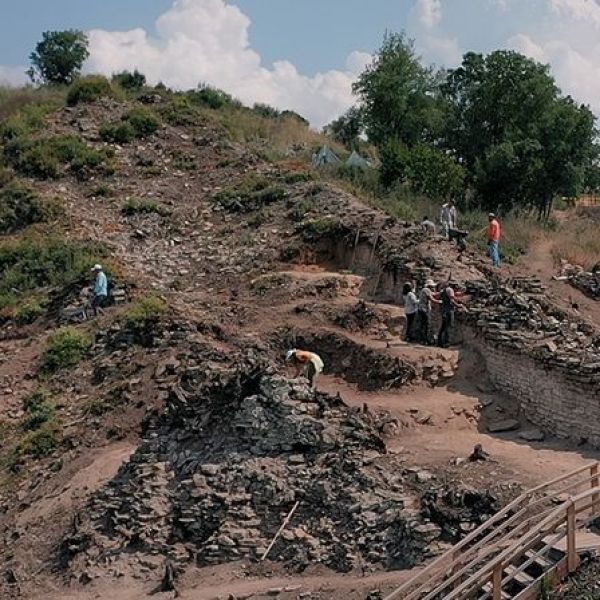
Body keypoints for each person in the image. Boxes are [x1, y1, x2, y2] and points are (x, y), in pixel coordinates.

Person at [438, 282, 464, 348]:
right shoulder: (450, 290)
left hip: (444, 310)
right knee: (448, 326)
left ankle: (440, 342)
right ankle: (446, 343)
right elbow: (452, 300)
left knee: (443, 326)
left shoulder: (444, 290)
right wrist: (458, 305)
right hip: (448, 311)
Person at [417, 279, 440, 345]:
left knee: (423, 325)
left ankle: (423, 340)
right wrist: (439, 302)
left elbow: (434, 294)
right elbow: (431, 298)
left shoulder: (425, 290)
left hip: (422, 309)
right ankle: (424, 340)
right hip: (423, 309)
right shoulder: (426, 290)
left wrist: (441, 292)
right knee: (425, 325)